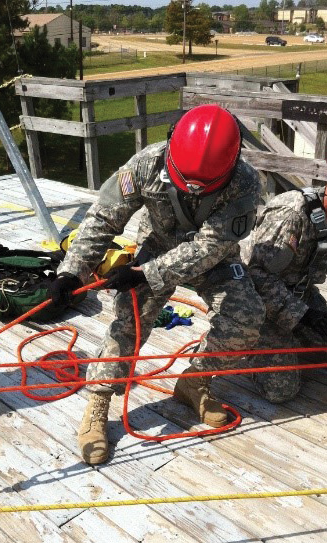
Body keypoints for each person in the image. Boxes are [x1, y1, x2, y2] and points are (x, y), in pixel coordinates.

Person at [52, 104, 265, 465]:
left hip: (212, 259)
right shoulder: (146, 165)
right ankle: (99, 402)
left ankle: (195, 381)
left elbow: (209, 248)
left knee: (245, 316)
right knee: (129, 321)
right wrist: (72, 271)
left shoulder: (246, 183)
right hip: (157, 246)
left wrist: (145, 273)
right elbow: (104, 217)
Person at [246, 186, 327, 403]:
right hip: (261, 303)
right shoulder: (290, 215)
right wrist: (302, 316)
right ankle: (246, 342)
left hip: (301, 296)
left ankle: (292, 340)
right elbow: (256, 276)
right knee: (281, 390)